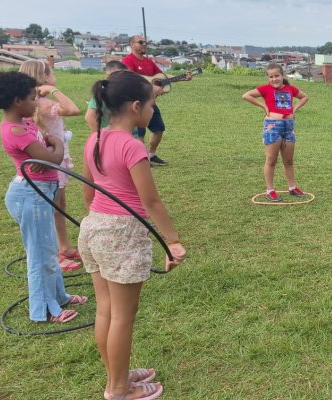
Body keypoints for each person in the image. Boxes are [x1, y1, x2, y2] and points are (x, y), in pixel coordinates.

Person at [79, 70, 186, 400]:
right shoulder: (132, 145)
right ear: (136, 106)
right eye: (152, 103)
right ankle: (119, 389)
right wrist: (173, 242)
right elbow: (150, 200)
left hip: (94, 228)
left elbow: (88, 190)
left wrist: (95, 221)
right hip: (121, 233)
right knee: (122, 317)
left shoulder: (94, 138)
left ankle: (117, 375)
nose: (154, 109)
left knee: (105, 311)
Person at [0, 71, 87, 324]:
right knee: (39, 255)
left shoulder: (26, 124)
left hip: (42, 191)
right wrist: (58, 146)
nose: (36, 103)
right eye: (32, 98)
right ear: (17, 100)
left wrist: (49, 151)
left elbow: (46, 154)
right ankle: (43, 310)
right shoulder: (15, 130)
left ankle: (59, 296)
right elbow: (50, 157)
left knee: (49, 249)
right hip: (31, 195)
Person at [18, 60, 83, 271]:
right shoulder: (44, 103)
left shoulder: (33, 102)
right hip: (53, 160)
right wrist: (54, 90)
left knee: (59, 205)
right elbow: (73, 110)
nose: (54, 76)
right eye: (51, 73)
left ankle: (64, 246)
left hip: (57, 157)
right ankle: (55, 253)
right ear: (44, 78)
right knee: (53, 207)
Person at [241, 63, 309, 202]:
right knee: (271, 160)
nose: (274, 79)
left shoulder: (290, 89)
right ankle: (270, 190)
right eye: (271, 77)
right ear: (268, 78)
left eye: (276, 76)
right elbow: (246, 95)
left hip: (289, 127)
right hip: (273, 126)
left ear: (282, 75)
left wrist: (294, 110)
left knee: (288, 161)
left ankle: (292, 187)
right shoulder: (265, 89)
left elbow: (304, 97)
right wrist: (263, 106)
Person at [121, 35, 189, 166]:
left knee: (159, 129)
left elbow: (161, 77)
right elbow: (130, 79)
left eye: (145, 42)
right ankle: (140, 159)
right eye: (141, 42)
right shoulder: (127, 61)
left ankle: (151, 154)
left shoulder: (148, 62)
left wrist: (182, 77)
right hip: (135, 103)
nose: (144, 44)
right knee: (139, 132)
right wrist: (152, 87)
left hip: (150, 103)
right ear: (132, 45)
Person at [85, 61, 129, 132]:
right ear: (108, 75)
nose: (125, 79)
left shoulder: (125, 92)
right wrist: (100, 137)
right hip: (112, 137)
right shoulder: (103, 93)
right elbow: (89, 117)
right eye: (121, 76)